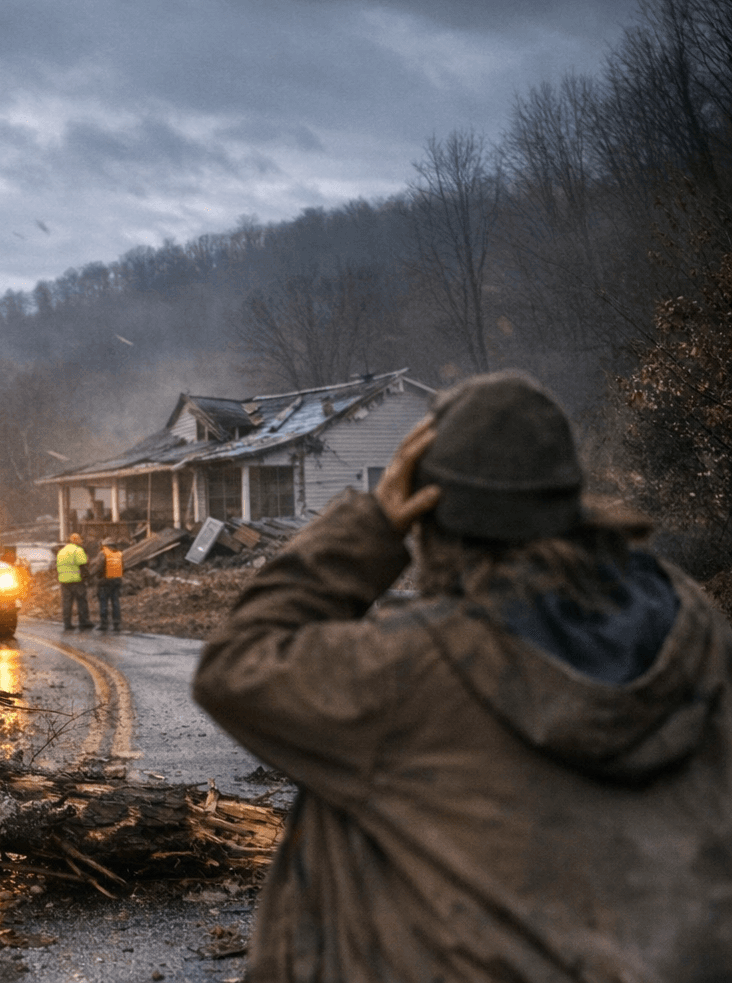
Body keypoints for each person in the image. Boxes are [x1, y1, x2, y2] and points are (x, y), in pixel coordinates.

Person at [191, 370, 732, 978]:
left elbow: (236, 664)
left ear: (431, 510)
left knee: (339, 792)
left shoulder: (418, 663)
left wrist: (373, 525)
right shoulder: (695, 629)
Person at [56, 532, 93, 630]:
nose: (81, 541)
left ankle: (67, 623)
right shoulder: (78, 550)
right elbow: (84, 564)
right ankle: (84, 621)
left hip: (64, 581)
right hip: (77, 580)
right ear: (76, 540)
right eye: (80, 539)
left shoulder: (61, 552)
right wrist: (88, 577)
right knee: (81, 601)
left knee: (67, 602)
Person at [96, 538, 123, 631]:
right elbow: (122, 566)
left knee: (104, 603)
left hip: (105, 581)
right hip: (116, 581)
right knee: (115, 602)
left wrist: (98, 577)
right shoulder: (119, 554)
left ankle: (104, 623)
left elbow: (99, 567)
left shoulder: (103, 553)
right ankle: (117, 623)